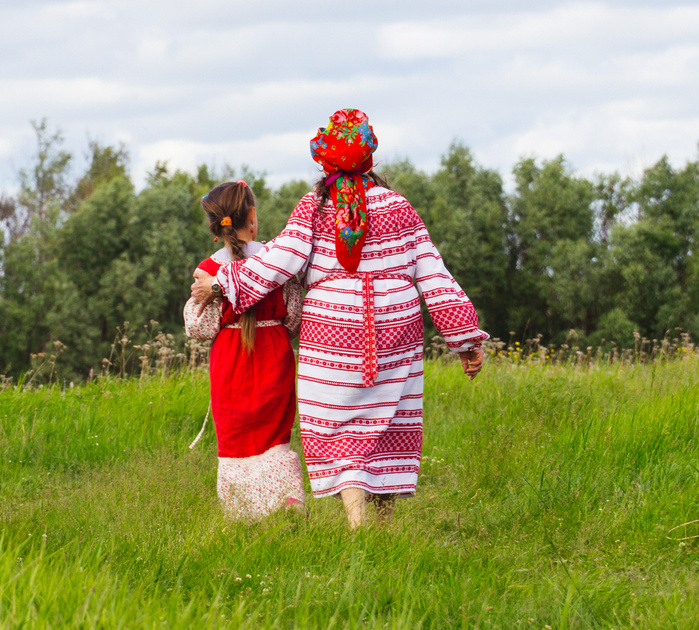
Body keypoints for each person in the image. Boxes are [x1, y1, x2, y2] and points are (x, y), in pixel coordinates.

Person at [192, 110, 487, 528]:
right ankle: (382, 526)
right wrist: (466, 340)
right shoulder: (399, 207)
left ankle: (356, 522)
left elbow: (280, 259)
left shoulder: (313, 207)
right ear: (370, 158)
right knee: (389, 419)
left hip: (332, 327)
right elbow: (434, 274)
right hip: (395, 324)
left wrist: (223, 282)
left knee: (340, 425)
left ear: (324, 161)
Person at [184, 180, 307, 521]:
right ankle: (286, 501)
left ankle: (244, 518)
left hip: (230, 362)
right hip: (274, 356)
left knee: (236, 440)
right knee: (274, 436)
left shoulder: (208, 271)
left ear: (215, 225)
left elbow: (199, 327)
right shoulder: (276, 263)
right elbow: (294, 316)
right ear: (251, 215)